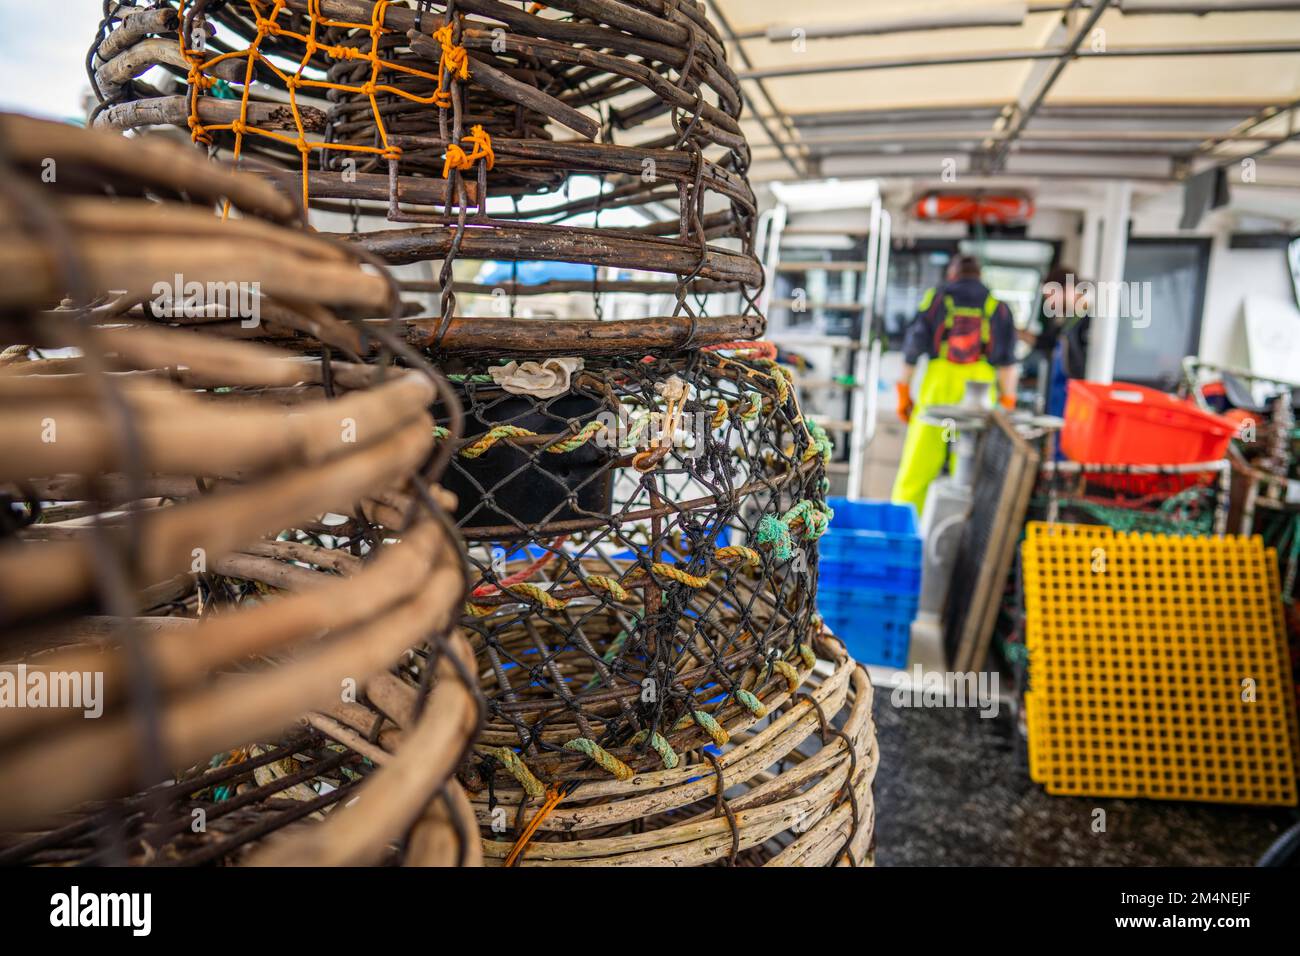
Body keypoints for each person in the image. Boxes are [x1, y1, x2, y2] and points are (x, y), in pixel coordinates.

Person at [891, 254, 1019, 515]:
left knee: (918, 466)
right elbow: (1007, 363)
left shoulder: (936, 300)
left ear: (952, 274)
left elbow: (912, 350)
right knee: (973, 471)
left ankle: (907, 528)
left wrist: (904, 392)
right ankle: (966, 532)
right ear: (979, 276)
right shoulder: (999, 307)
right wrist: (1007, 400)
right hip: (979, 393)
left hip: (938, 389)